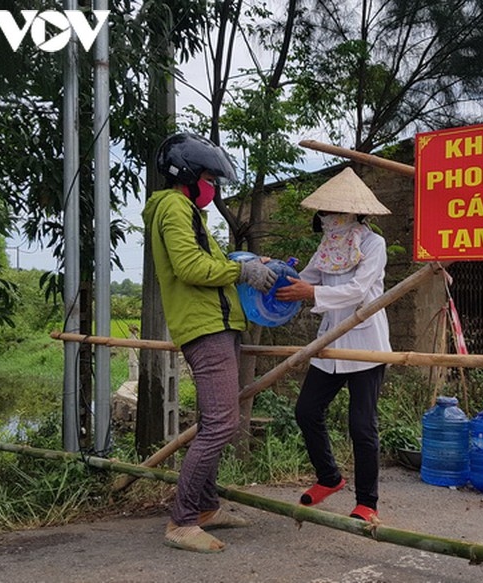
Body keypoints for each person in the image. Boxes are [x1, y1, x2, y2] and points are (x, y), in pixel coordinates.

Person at [144, 132, 278, 553]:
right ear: (186, 175)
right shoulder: (173, 208)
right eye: (207, 176)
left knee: (215, 420)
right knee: (222, 424)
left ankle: (204, 507)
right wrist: (241, 274)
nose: (212, 186)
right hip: (205, 328)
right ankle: (182, 520)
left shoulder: (187, 212)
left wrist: (249, 265)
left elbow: (214, 263)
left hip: (215, 324)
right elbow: (188, 266)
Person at [275, 167, 392, 522]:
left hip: (366, 345)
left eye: (332, 213)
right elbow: (304, 278)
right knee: (306, 411)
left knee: (361, 425)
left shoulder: (374, 245)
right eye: (324, 214)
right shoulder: (328, 247)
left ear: (354, 214)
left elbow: (358, 291)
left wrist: (312, 292)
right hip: (329, 342)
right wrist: (273, 271)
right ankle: (330, 478)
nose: (327, 220)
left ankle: (367, 503)